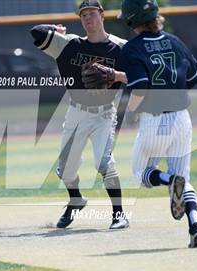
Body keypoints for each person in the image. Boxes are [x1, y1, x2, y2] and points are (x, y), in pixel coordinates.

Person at [30, 0, 129, 229]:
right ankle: (76, 200)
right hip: (76, 112)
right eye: (83, 15)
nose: (88, 19)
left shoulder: (120, 47)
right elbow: (35, 32)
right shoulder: (69, 44)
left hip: (104, 114)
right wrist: (55, 31)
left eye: (92, 13)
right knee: (65, 171)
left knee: (104, 163)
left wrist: (115, 74)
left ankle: (119, 215)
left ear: (102, 15)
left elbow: (139, 75)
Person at [119, 0, 197, 247]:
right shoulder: (175, 41)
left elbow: (140, 89)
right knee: (184, 177)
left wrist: (130, 114)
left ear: (130, 20)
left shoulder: (132, 48)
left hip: (155, 119)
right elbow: (193, 76)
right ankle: (195, 225)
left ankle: (169, 182)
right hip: (182, 119)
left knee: (141, 174)